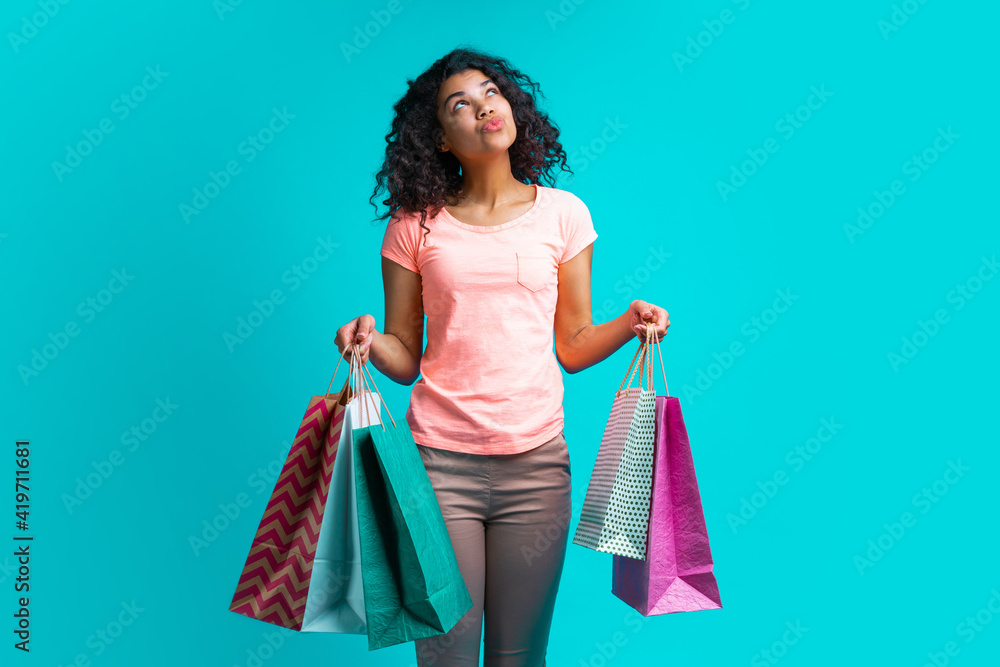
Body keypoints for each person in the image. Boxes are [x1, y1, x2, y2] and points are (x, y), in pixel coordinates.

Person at [334, 47, 670, 667]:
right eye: (459, 104)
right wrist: (367, 337)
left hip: (536, 471)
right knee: (447, 652)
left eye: (490, 91)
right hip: (439, 469)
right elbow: (404, 357)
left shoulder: (565, 216)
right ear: (438, 138)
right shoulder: (415, 226)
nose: (483, 106)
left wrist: (628, 323)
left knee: (519, 656)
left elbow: (570, 347)